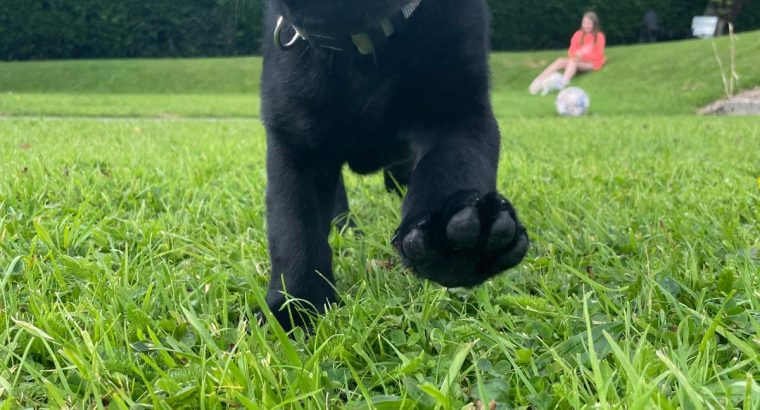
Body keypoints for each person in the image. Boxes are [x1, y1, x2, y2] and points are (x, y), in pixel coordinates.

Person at [529, 12, 606, 95]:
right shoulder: (578, 34)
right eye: (584, 23)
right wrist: (576, 55)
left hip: (592, 63)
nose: (586, 25)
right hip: (577, 61)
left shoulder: (599, 36)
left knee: (573, 61)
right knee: (560, 61)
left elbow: (598, 54)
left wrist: (582, 56)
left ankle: (563, 83)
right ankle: (538, 80)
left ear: (594, 24)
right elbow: (571, 51)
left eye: (589, 23)